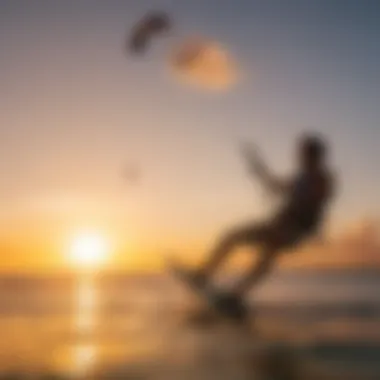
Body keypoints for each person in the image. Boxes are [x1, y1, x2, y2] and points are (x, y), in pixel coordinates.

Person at [188, 133, 336, 319]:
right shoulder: (302, 178)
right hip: (281, 226)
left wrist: (294, 199)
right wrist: (258, 168)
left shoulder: (322, 178)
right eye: (300, 153)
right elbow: (276, 187)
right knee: (247, 246)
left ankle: (209, 280)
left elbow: (314, 199)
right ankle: (228, 292)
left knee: (253, 248)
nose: (298, 157)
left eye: (303, 153)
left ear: (314, 155)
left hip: (292, 229)